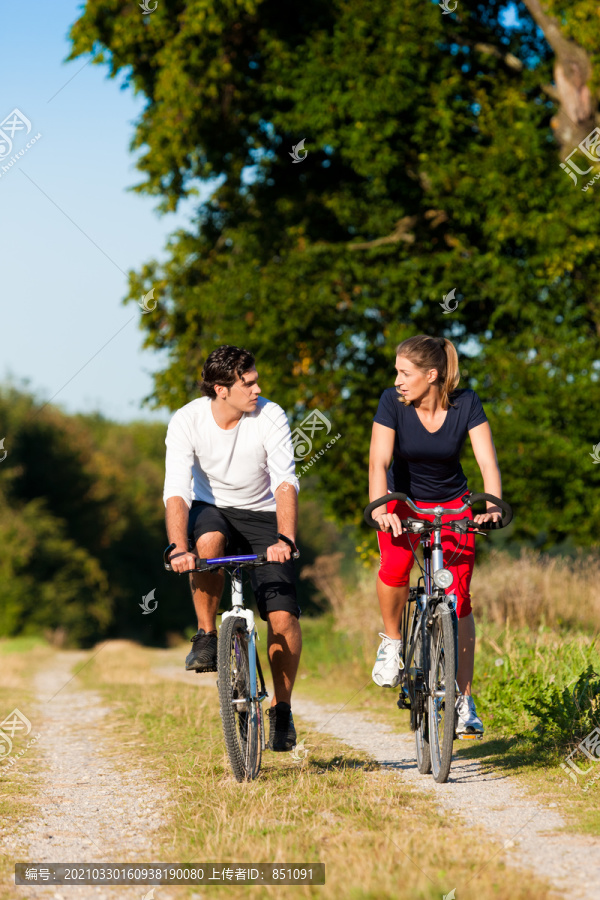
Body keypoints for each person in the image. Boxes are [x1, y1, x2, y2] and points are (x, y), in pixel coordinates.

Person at [163, 344, 301, 752]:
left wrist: (285, 539)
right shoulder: (187, 420)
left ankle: (282, 710)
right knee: (206, 544)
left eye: (256, 380)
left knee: (281, 617)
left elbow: (285, 482)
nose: (258, 389)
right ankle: (207, 633)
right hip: (214, 508)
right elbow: (176, 490)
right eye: (249, 383)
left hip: (264, 515)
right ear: (221, 390)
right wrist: (177, 547)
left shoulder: (271, 416)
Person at [368, 335, 503, 735]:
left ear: (432, 375)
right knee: (394, 567)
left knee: (459, 602)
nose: (398, 380)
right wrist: (380, 506)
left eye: (405, 373)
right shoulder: (392, 403)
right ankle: (393, 643)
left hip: (452, 503)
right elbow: (379, 460)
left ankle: (463, 700)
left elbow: (486, 460)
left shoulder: (467, 404)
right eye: (396, 372)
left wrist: (492, 504)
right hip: (403, 501)